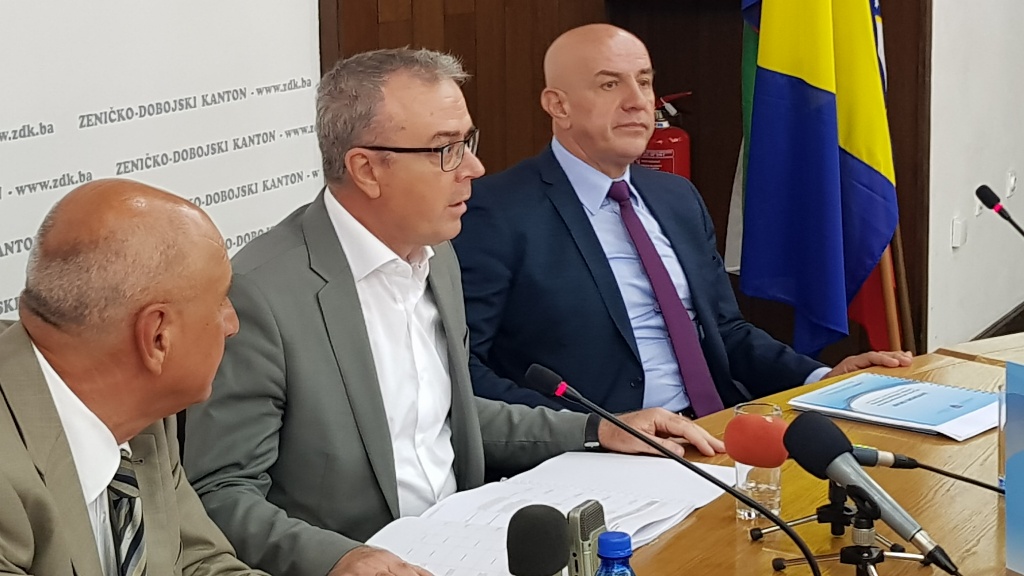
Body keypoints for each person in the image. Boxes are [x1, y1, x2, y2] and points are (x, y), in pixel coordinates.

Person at [183, 47, 725, 576]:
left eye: (468, 141)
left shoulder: (437, 253)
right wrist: (338, 559)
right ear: (366, 169)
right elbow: (221, 491)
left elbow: (447, 415)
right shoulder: (261, 294)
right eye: (446, 149)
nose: (474, 167)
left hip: (466, 542)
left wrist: (598, 429)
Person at [451, 24, 912, 417]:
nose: (638, 102)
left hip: (715, 429)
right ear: (558, 105)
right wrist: (595, 430)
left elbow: (726, 331)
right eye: (610, 85)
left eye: (644, 82)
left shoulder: (676, 197)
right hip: (599, 453)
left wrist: (820, 378)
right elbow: (464, 369)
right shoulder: (495, 211)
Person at [0, 179, 262, 576]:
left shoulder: (142, 411)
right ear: (157, 337)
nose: (232, 324)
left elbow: (198, 562)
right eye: (220, 300)